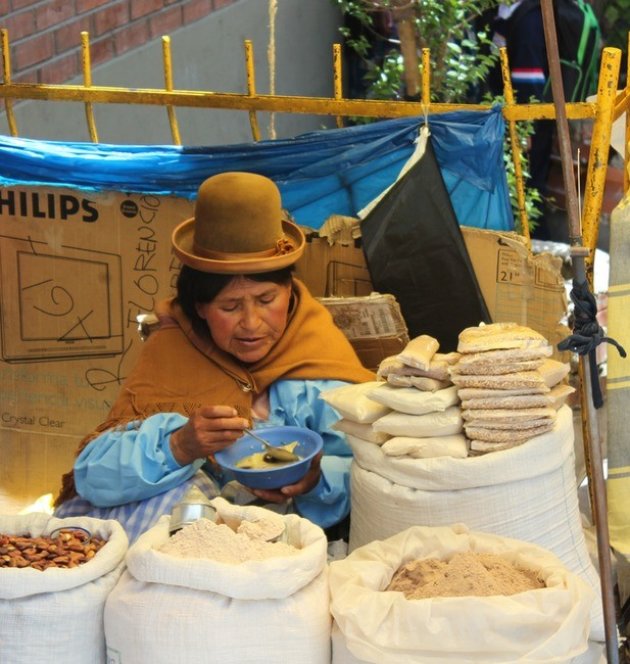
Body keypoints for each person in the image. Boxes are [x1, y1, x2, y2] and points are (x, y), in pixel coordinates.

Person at [54, 172, 375, 542]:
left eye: (267, 300)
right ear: (200, 306)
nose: (251, 323)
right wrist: (179, 446)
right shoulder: (172, 350)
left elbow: (375, 470)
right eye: (230, 306)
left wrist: (317, 480)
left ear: (290, 290)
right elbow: (92, 476)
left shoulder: (321, 356)